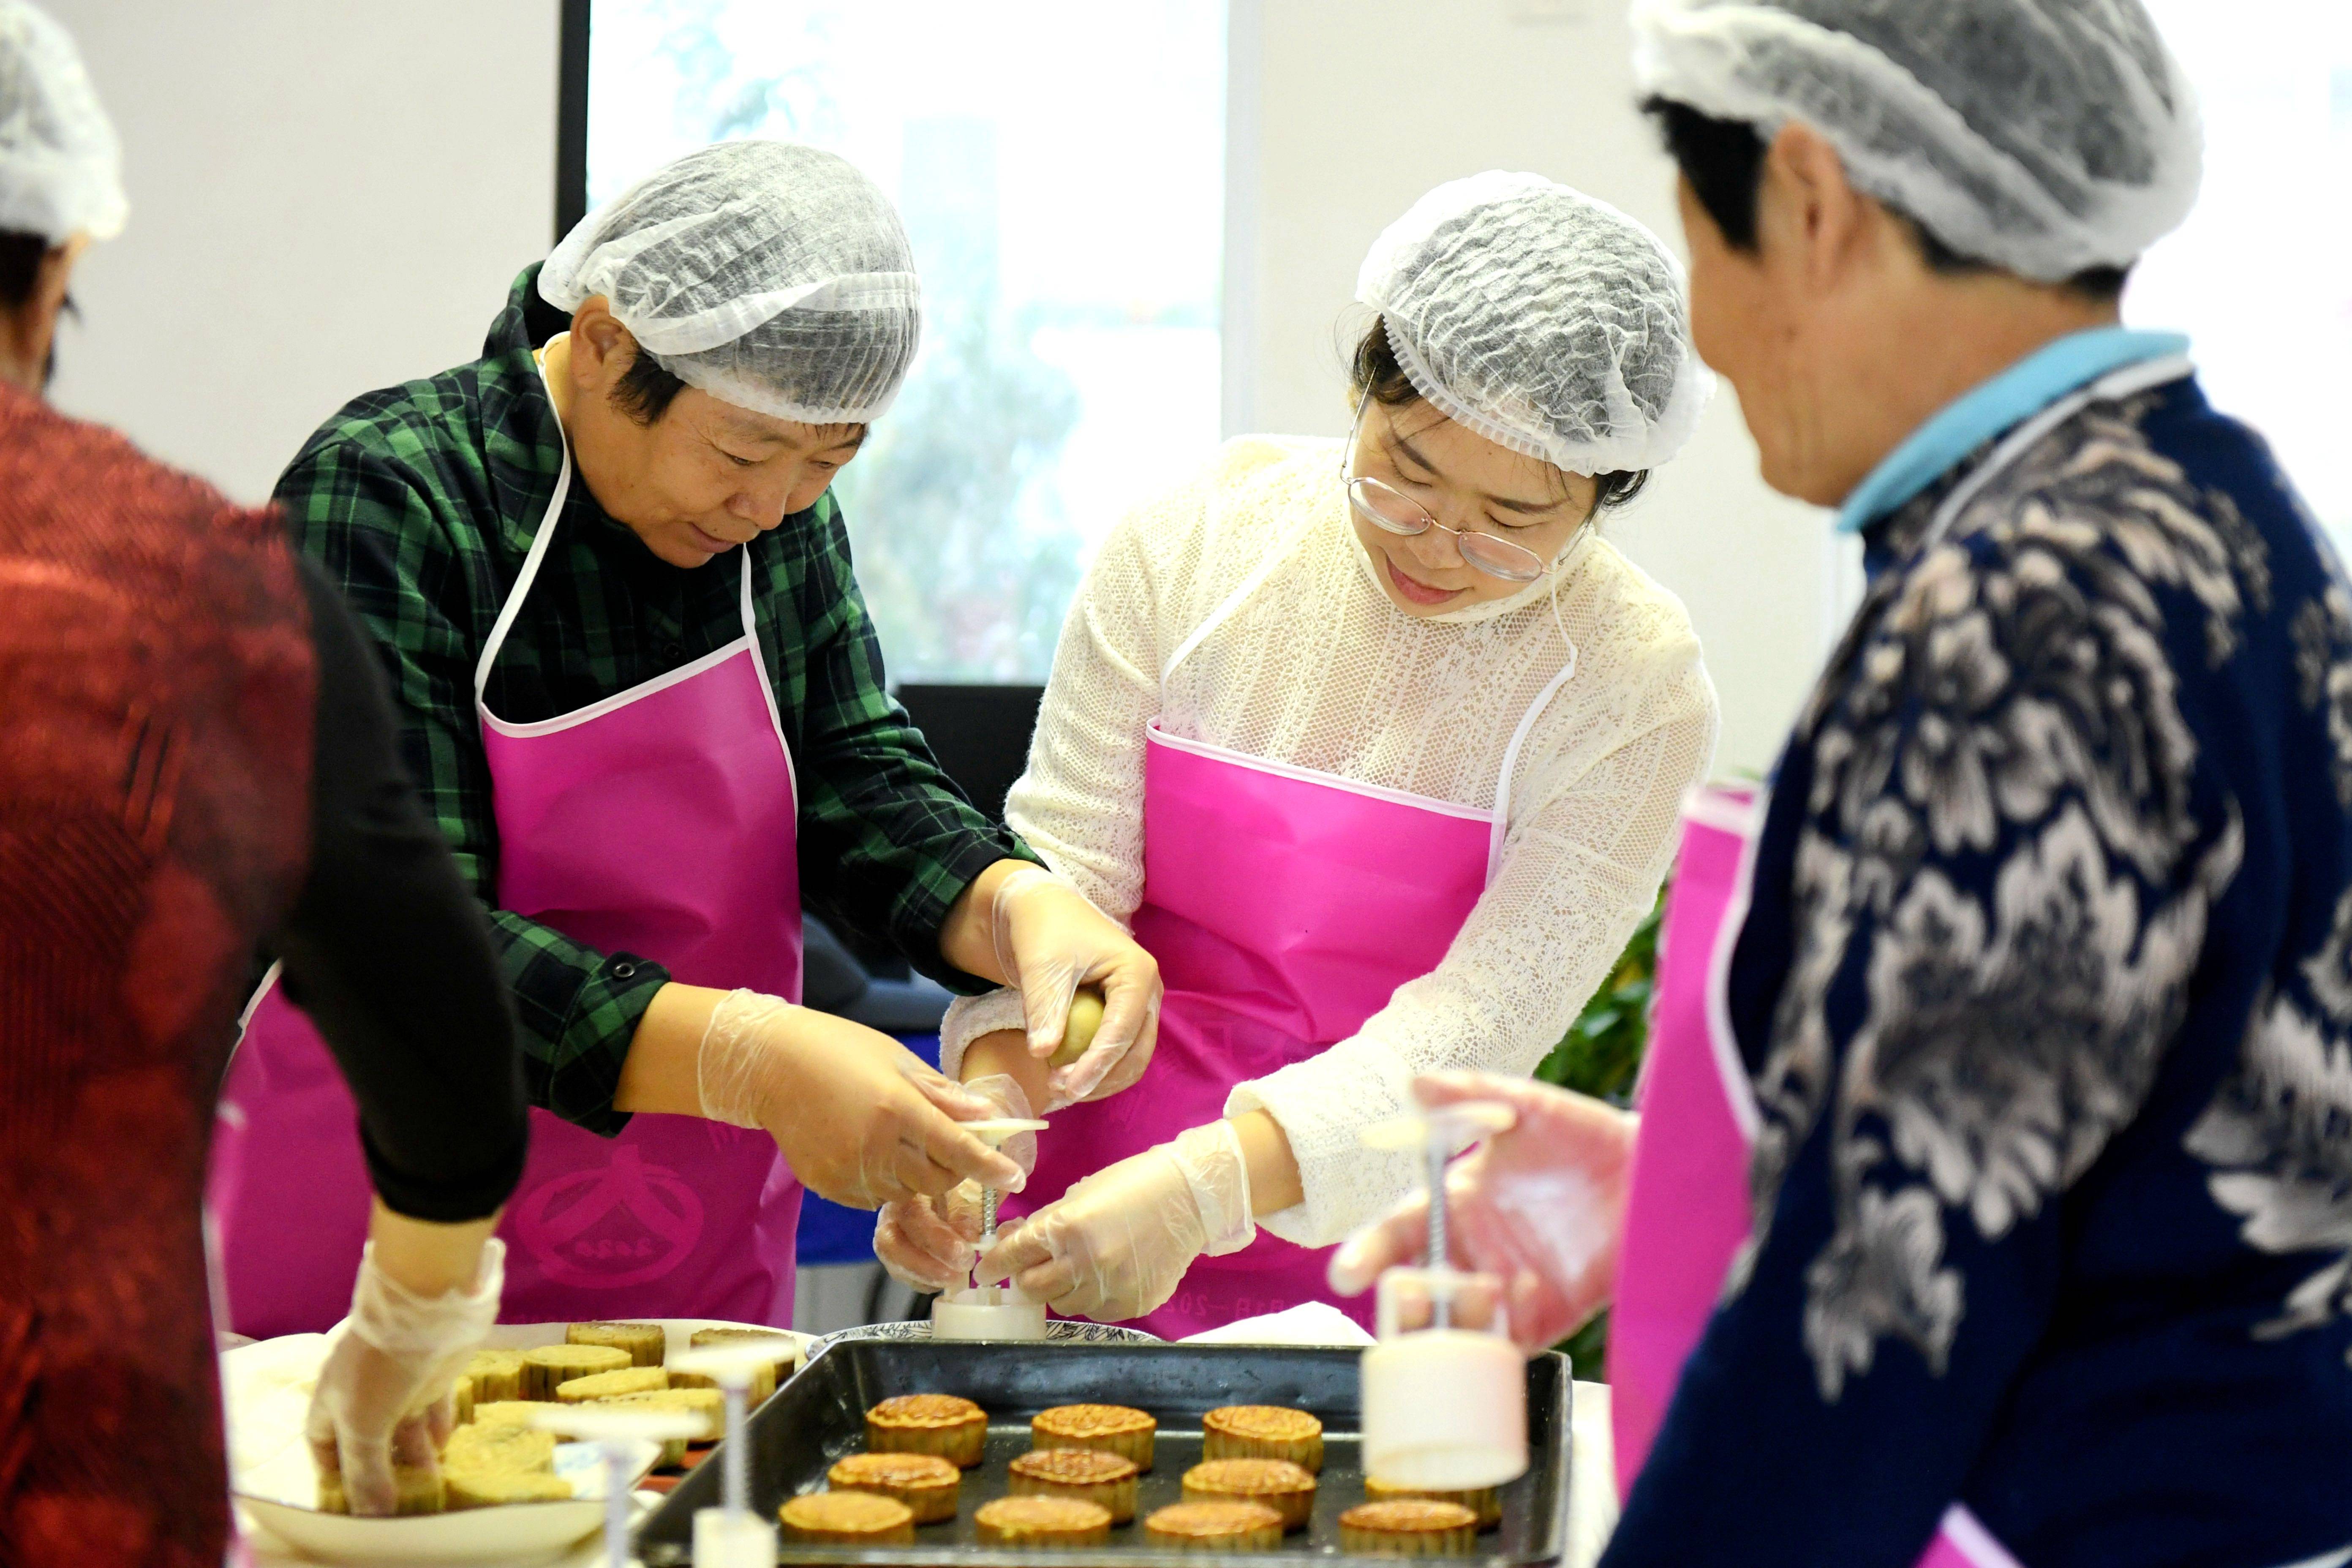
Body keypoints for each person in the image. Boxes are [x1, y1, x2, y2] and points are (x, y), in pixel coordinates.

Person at [1340, 2, 2352, 1564]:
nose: (1715, 354)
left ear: (1809, 202)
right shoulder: (2215, 507)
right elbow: (2126, 1090)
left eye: (1701, 260)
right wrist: (1724, 1177)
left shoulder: (2025, 607)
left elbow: (1880, 1321)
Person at [210, 140, 1160, 1337]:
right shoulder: (391, 494)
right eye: (744, 452)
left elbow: (854, 776)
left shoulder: (770, 518)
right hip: (384, 1236)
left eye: (830, 460)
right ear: (606, 342)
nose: (772, 505)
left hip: (681, 1243)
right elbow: (405, 936)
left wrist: (1013, 903)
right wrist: (751, 1057)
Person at [873, 174, 1719, 1337]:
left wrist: (1203, 1190)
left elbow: (1479, 1024)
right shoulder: (1199, 539)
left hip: (1372, 1263)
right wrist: (980, 1126)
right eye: (1407, 472)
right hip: (1066, 1221)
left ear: (1603, 496)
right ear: (1364, 382)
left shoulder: (1632, 682)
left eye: (1513, 521)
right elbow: (1064, 890)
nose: (1441, 544)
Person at [0, 2, 531, 1555]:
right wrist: (410, 1332)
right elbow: (442, 1045)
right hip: (72, 1471)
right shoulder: (203, 600)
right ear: (60, 256)